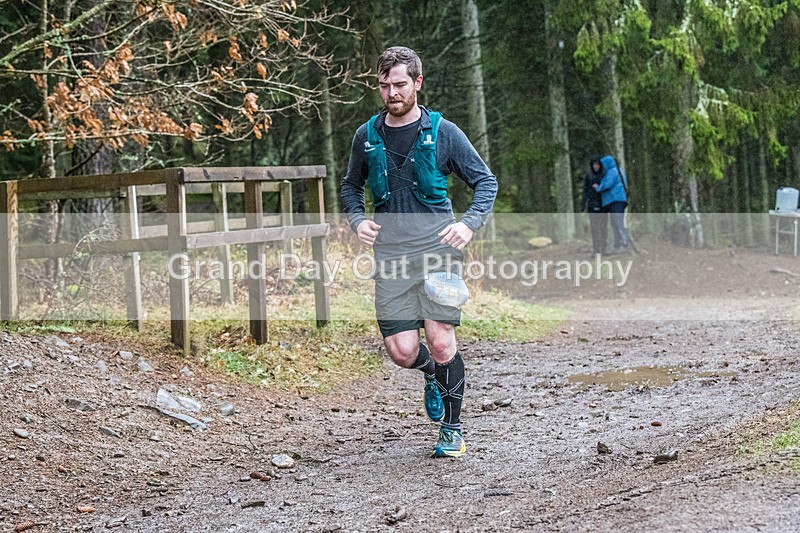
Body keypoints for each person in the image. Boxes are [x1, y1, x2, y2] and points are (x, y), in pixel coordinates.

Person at [340, 46, 497, 458]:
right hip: (390, 257)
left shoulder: (444, 133)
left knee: (441, 340)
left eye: (400, 84)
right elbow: (349, 187)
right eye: (384, 85)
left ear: (417, 83)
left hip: (438, 251)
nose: (391, 92)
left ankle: (452, 428)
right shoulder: (366, 136)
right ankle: (430, 373)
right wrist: (358, 220)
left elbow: (486, 182)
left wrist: (468, 223)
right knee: (402, 352)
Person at [594, 154, 629, 254]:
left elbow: (608, 184)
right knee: (615, 222)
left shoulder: (612, 172)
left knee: (617, 222)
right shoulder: (615, 170)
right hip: (616, 200)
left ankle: (624, 243)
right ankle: (618, 245)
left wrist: (598, 187)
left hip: (616, 200)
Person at [581, 156, 607, 255]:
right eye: (594, 164)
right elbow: (585, 190)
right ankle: (596, 249)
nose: (595, 166)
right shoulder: (589, 176)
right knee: (594, 228)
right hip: (592, 204)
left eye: (597, 164)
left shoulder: (604, 175)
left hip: (603, 204)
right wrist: (583, 203)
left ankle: (603, 248)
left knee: (603, 227)